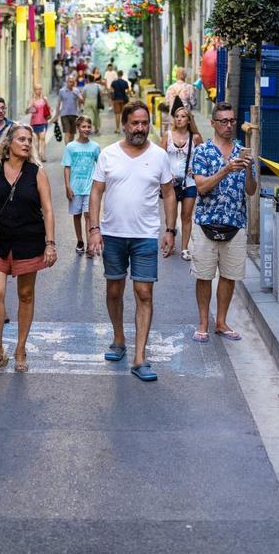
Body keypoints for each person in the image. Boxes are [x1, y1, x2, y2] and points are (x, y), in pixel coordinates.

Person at [87, 101, 177, 382]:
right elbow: (96, 192)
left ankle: (140, 358)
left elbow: (170, 193)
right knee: (114, 290)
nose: (140, 128)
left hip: (145, 236)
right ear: (124, 125)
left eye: (144, 123)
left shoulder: (160, 156)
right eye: (134, 123)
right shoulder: (108, 154)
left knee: (144, 293)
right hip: (113, 234)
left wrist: (170, 230)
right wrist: (94, 229)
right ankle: (118, 338)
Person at [0, 124, 57, 374]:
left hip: (29, 241)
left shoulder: (36, 172)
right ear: (8, 143)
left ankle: (20, 348)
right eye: (22, 139)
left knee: (26, 295)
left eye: (29, 140)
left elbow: (48, 210)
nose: (27, 143)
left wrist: (50, 243)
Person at [190, 102, 258, 342]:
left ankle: (221, 322)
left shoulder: (242, 150)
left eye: (232, 121)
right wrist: (227, 170)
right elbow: (201, 187)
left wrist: (248, 170)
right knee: (204, 276)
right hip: (206, 222)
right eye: (224, 121)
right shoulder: (203, 151)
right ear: (213, 124)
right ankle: (202, 324)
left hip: (236, 223)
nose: (229, 126)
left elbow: (251, 191)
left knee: (229, 276)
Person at [162, 102, 202, 261]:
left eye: (183, 116)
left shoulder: (196, 137)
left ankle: (185, 248)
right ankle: (170, 236)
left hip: (189, 182)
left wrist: (197, 169)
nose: (179, 119)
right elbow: (160, 156)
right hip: (170, 182)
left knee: (186, 215)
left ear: (189, 120)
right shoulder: (168, 135)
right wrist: (166, 173)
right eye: (177, 116)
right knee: (170, 216)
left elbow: (203, 156)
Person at [62, 116, 100, 255]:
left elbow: (100, 166)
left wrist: (99, 186)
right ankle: (80, 241)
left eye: (89, 127)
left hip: (90, 187)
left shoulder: (95, 147)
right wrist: (67, 187)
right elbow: (67, 167)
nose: (86, 129)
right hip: (75, 187)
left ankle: (90, 244)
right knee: (77, 215)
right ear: (78, 128)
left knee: (88, 215)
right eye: (83, 127)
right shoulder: (70, 146)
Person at [162, 67, 196, 131]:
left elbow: (167, 101)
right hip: (185, 117)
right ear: (185, 76)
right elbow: (193, 103)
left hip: (173, 117)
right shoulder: (189, 88)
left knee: (173, 134)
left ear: (176, 76)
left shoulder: (170, 88)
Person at [25, 85, 53, 160]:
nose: (39, 90)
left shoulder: (44, 99)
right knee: (36, 140)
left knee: (43, 138)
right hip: (34, 122)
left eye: (40, 89)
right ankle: (36, 156)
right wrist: (29, 109)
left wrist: (51, 113)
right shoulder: (32, 100)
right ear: (34, 90)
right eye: (37, 89)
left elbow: (49, 108)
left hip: (44, 121)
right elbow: (26, 111)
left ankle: (43, 155)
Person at [57, 74, 82, 139]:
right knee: (67, 133)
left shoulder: (76, 90)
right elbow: (58, 103)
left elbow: (82, 101)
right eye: (70, 82)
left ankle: (70, 147)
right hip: (64, 114)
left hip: (74, 114)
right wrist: (57, 115)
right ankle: (67, 148)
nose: (71, 83)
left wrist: (77, 94)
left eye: (73, 82)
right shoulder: (62, 91)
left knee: (72, 134)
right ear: (67, 82)